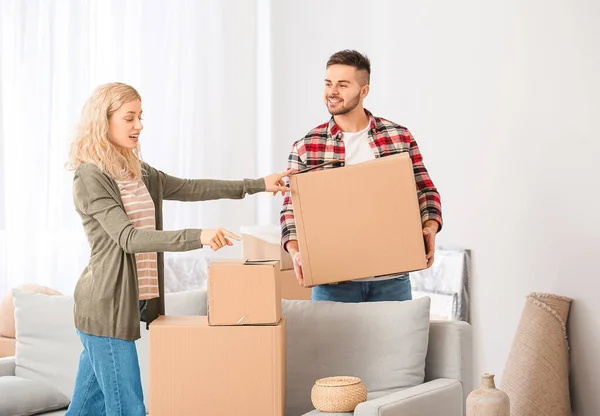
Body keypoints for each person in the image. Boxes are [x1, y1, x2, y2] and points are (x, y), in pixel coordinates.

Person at [65, 82, 291, 415]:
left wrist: (256, 185)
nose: (139, 125)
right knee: (129, 408)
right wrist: (197, 236)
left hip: (118, 306)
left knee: (86, 408)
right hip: (105, 307)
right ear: (104, 120)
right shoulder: (90, 176)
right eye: (129, 118)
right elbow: (128, 238)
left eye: (140, 116)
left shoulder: (135, 170)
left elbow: (189, 188)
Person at [280, 49, 442, 303]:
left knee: (397, 345)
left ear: (364, 91)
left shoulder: (398, 137)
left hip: (392, 279)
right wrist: (296, 252)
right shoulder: (306, 146)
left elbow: (425, 191)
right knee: (332, 345)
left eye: (343, 85)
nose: (332, 91)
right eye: (328, 83)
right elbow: (291, 210)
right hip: (332, 282)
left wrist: (430, 228)